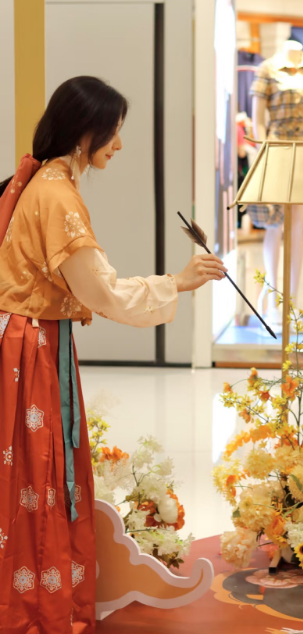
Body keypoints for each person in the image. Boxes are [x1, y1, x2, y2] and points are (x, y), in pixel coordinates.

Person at [0, 76, 226, 634]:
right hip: (32, 347)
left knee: (31, 475)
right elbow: (101, 291)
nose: (119, 145)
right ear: (85, 132)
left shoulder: (44, 180)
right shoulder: (57, 194)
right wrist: (177, 282)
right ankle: (37, 609)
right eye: (114, 131)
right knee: (38, 475)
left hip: (31, 340)